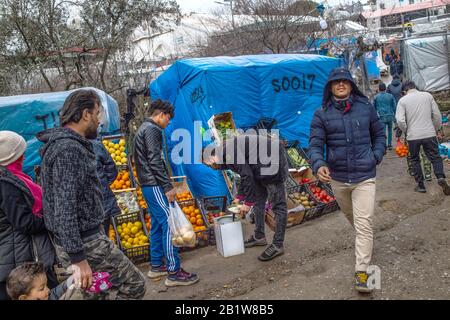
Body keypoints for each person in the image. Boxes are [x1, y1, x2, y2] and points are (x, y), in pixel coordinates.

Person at [37, 89, 146, 299]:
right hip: (86, 243)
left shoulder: (68, 146)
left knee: (97, 294)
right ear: (85, 114)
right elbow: (64, 207)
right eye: (97, 113)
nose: (99, 120)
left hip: (81, 240)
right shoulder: (68, 150)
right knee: (134, 284)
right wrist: (78, 258)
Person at [309, 67, 385, 293]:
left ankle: (364, 275)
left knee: (364, 223)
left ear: (351, 85)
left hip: (364, 176)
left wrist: (376, 156)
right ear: (330, 87)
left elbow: (379, 135)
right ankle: (366, 241)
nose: (341, 85)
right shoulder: (321, 113)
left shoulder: (366, 108)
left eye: (345, 81)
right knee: (355, 219)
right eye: (336, 82)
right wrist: (318, 164)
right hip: (339, 178)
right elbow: (314, 145)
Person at [134, 99, 199, 287]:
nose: (168, 123)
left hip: (148, 184)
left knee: (157, 224)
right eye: (168, 119)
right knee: (170, 225)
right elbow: (155, 161)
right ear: (161, 114)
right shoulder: (153, 129)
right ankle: (174, 271)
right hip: (154, 184)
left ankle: (156, 265)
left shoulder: (143, 128)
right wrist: (167, 186)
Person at [202, 133, 289, 262]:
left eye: (209, 164)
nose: (212, 168)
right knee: (259, 200)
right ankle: (259, 236)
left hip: (272, 163)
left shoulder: (227, 152)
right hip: (260, 166)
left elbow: (247, 175)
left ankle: (278, 244)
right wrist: (240, 196)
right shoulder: (225, 156)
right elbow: (245, 174)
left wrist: (247, 202)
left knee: (278, 205)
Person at [0, 131, 57, 300]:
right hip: (17, 260)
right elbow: (25, 223)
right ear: (12, 157)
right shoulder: (6, 184)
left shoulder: (13, 178)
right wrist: (53, 218)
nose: (24, 157)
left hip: (16, 256)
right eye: (21, 154)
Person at [395, 81, 450, 194]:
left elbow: (400, 120)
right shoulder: (427, 96)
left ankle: (421, 186)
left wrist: (407, 130)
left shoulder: (403, 100)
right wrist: (434, 128)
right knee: (435, 157)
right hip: (429, 133)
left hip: (413, 136)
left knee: (415, 159)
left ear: (405, 91)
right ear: (415, 87)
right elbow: (437, 115)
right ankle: (440, 177)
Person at [91, 137, 121, 234]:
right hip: (102, 202)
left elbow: (111, 168)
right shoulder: (95, 144)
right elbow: (112, 169)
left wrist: (104, 183)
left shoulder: (95, 145)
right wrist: (104, 184)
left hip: (98, 203)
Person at [6, 262, 72, 300]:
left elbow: (55, 293)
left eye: (46, 285)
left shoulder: (46, 297)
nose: (48, 290)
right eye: (41, 288)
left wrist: (72, 279)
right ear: (24, 298)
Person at [373, 83, 397, 150]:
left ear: (379, 89)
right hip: (390, 116)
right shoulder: (390, 96)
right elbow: (394, 107)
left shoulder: (376, 97)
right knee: (390, 131)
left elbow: (373, 108)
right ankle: (389, 145)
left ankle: (384, 145)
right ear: (385, 88)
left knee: (383, 132)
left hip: (381, 117)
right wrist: (395, 116)